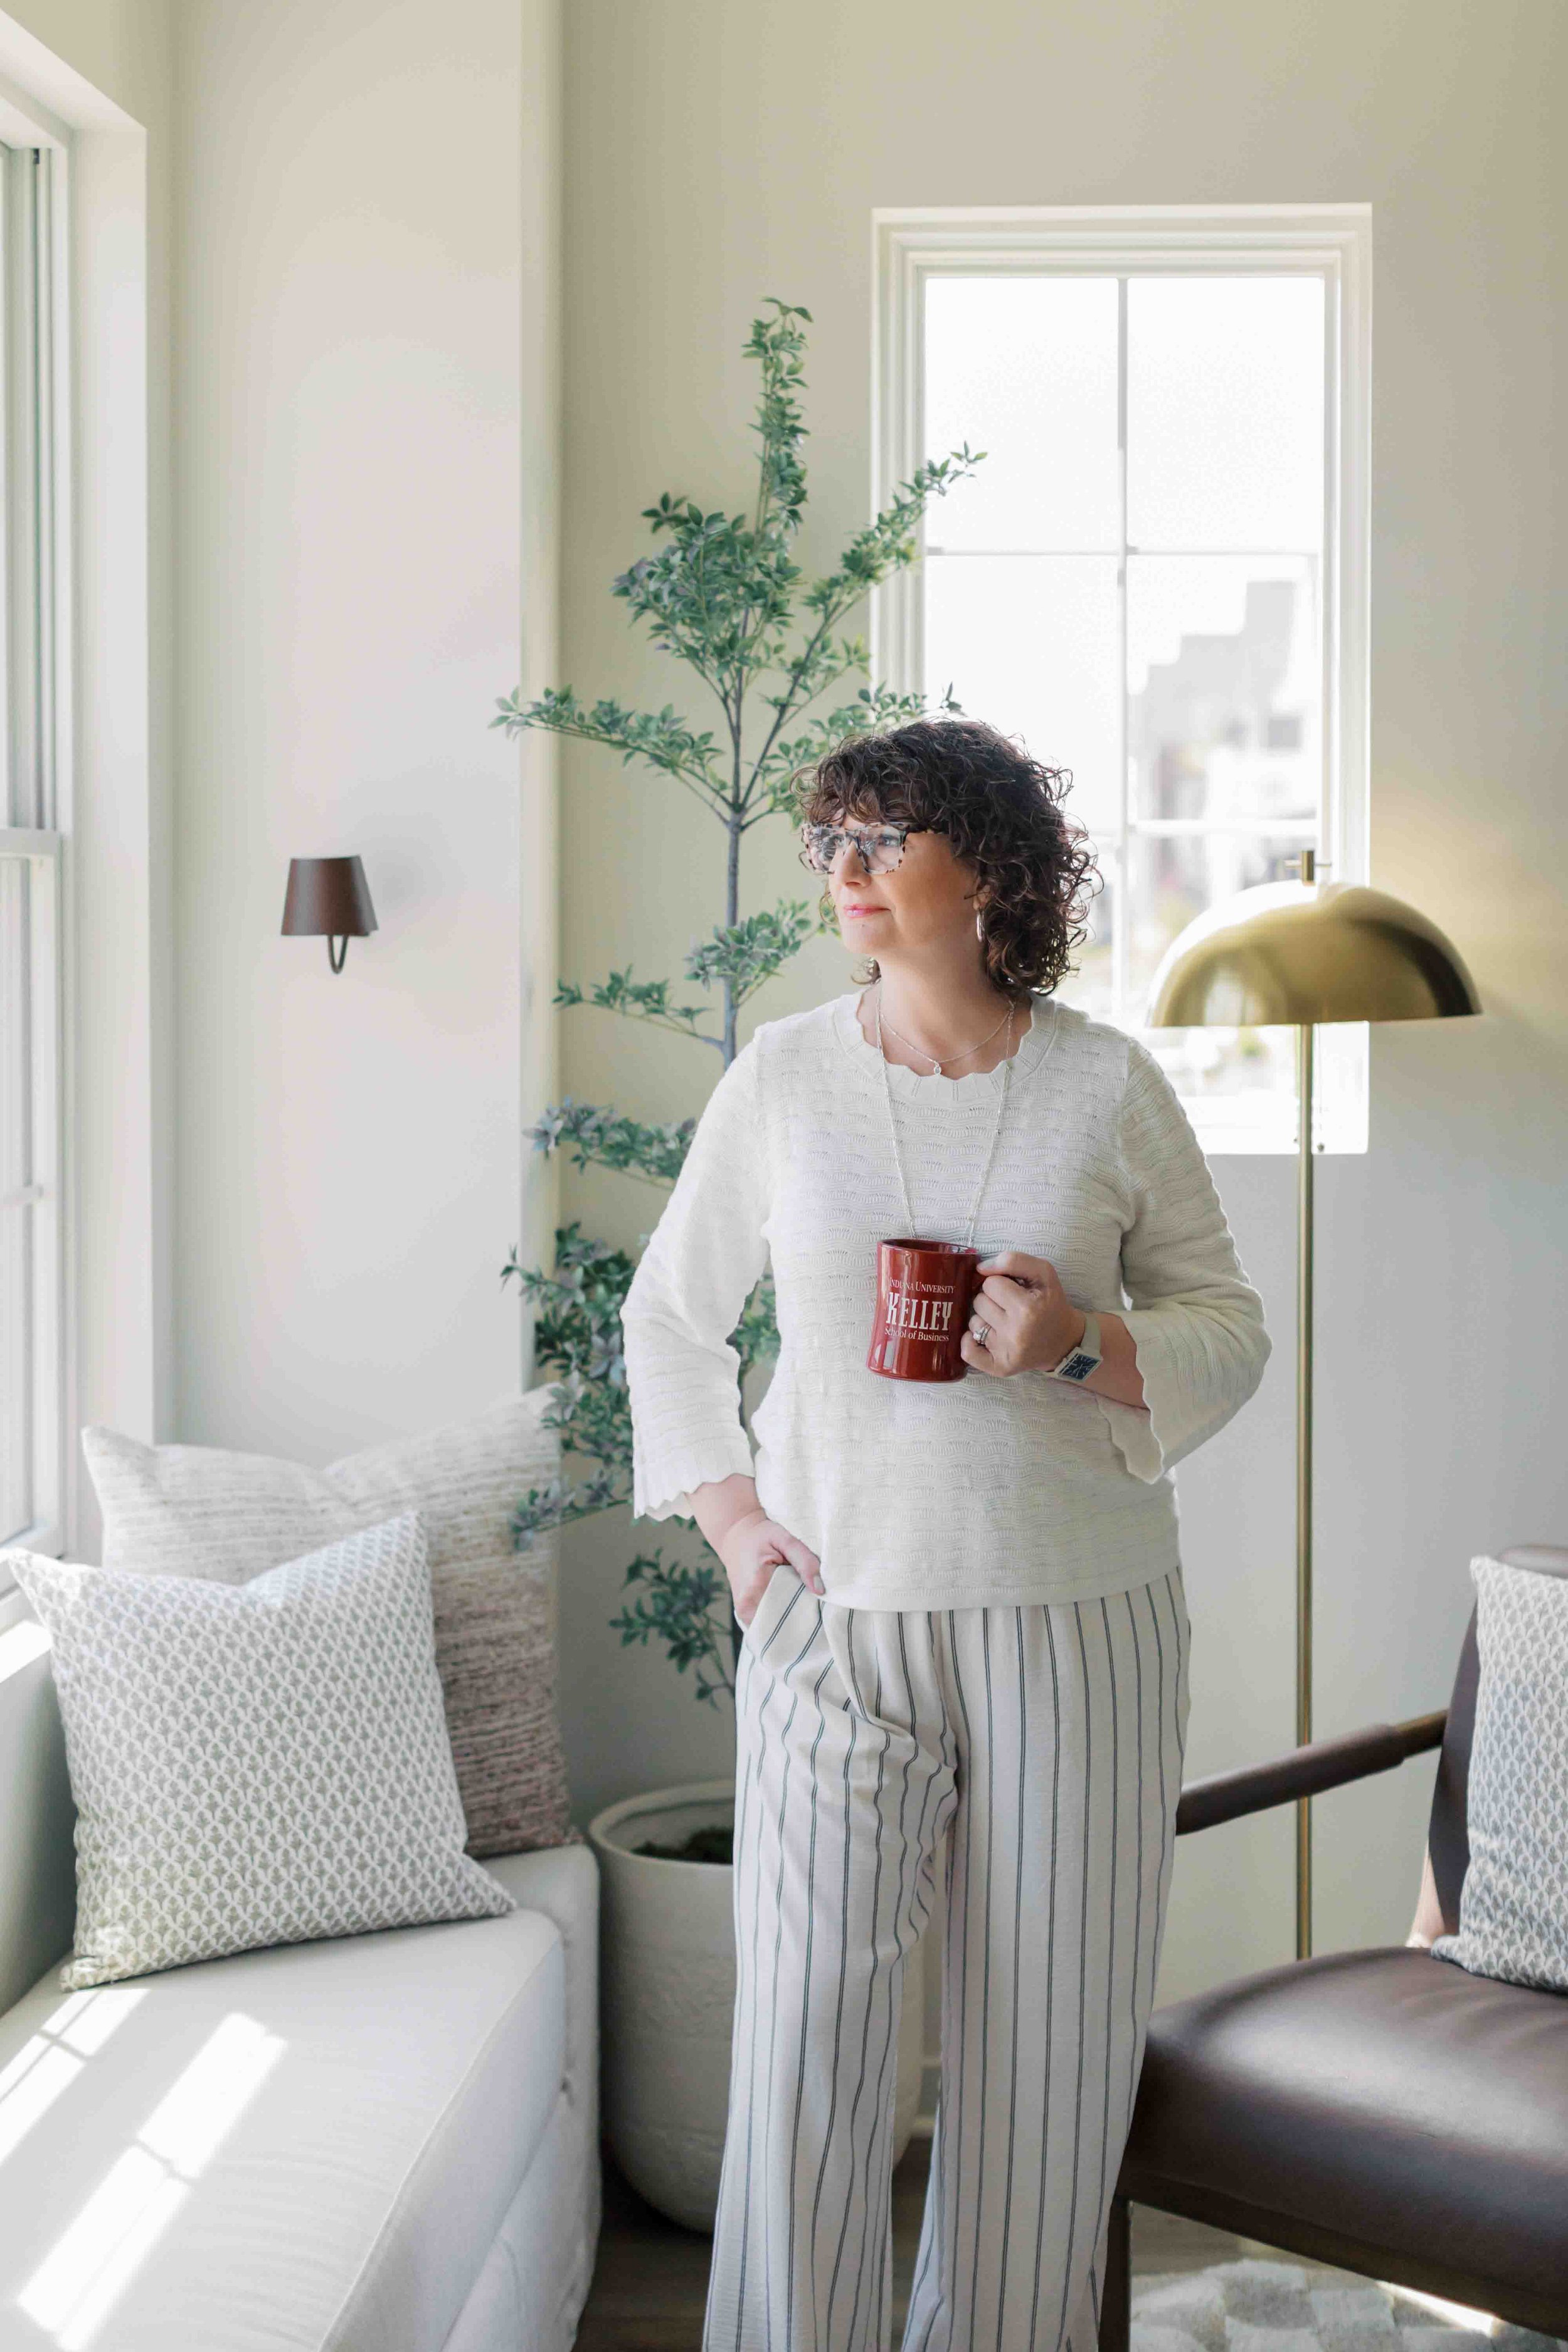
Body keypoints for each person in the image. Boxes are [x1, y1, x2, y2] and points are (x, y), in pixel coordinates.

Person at [618, 716, 1272, 2352]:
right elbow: (667, 1319)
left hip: (1081, 1614)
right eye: (827, 842)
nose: (841, 873)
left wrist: (1077, 1342)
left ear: (988, 868)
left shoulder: (1103, 1083)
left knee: (1044, 2061)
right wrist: (733, 1528)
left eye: (878, 841)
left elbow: (1227, 1327)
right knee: (803, 2054)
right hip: (834, 1618)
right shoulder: (781, 1076)